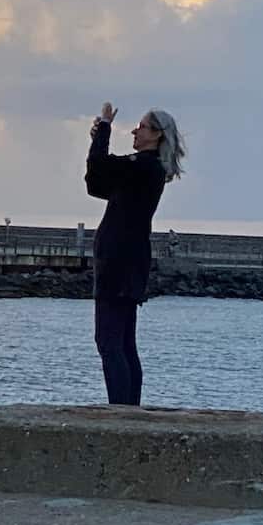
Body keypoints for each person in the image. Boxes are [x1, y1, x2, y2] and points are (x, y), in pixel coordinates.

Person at [84, 101, 185, 405]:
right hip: (129, 258)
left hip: (119, 259)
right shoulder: (144, 170)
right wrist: (97, 143)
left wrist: (103, 129)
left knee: (109, 341)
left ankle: (121, 411)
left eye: (141, 127)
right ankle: (130, 409)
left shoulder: (144, 165)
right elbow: (95, 182)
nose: (135, 131)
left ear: (157, 135)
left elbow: (102, 166)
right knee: (124, 342)